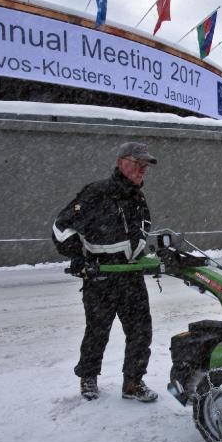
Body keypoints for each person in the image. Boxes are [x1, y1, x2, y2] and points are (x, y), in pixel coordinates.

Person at [52, 142, 159, 402]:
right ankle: (88, 378)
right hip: (101, 276)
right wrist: (79, 257)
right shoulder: (96, 193)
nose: (142, 170)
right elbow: (61, 227)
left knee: (140, 331)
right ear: (121, 162)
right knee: (98, 331)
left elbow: (135, 236)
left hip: (130, 275)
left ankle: (133, 382)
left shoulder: (138, 197)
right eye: (137, 163)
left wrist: (144, 256)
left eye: (145, 165)